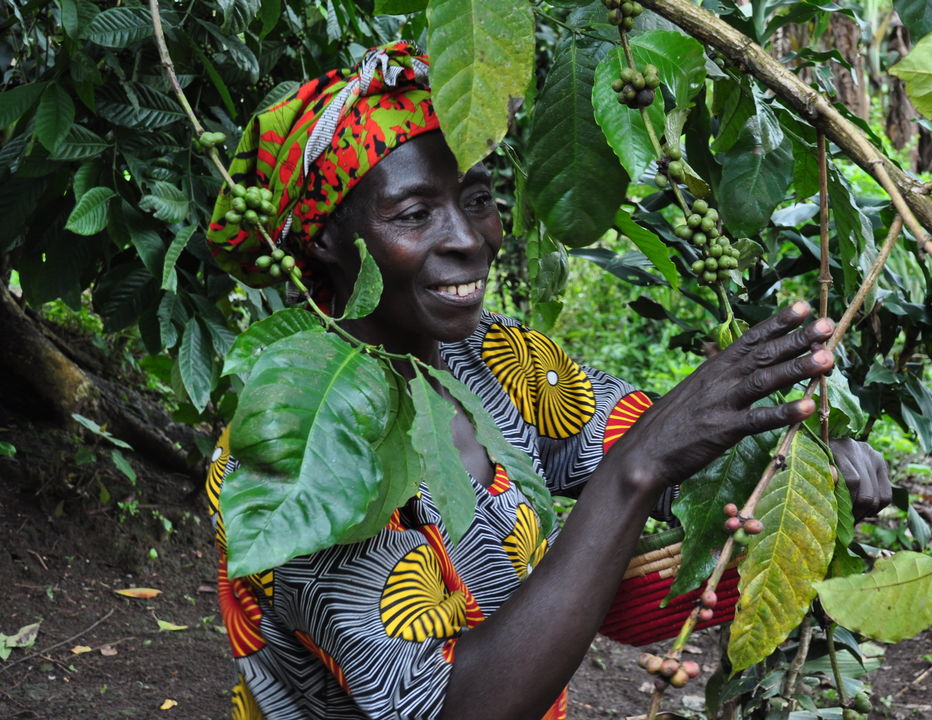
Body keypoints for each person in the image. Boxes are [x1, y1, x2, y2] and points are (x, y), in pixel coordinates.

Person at [204, 43, 891, 720]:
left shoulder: (496, 355)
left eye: (476, 198)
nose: (469, 238)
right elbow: (452, 709)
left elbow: (664, 450)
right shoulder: (291, 452)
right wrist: (639, 468)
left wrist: (803, 477)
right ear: (325, 240)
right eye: (414, 214)